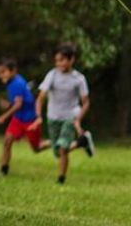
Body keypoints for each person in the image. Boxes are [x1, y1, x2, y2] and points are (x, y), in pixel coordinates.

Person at [32, 42, 96, 184]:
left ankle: (61, 179)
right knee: (57, 151)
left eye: (62, 60)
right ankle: (82, 142)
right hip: (53, 117)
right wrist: (38, 116)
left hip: (70, 116)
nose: (58, 63)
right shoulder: (52, 75)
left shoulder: (79, 79)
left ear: (71, 59)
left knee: (62, 148)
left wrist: (78, 119)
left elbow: (85, 102)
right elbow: (41, 97)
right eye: (56, 60)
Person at [0, 57, 50, 176]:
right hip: (18, 119)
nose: (0, 76)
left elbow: (18, 105)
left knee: (37, 148)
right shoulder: (11, 83)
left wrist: (4, 116)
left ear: (13, 71)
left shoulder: (17, 83)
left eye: (3, 72)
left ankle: (54, 142)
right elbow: (19, 101)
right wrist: (9, 104)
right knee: (7, 141)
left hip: (30, 120)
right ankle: (3, 170)